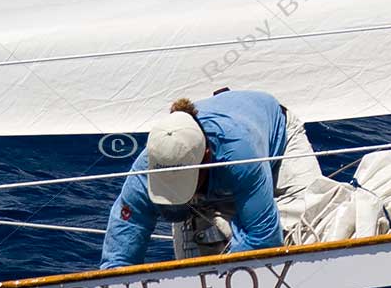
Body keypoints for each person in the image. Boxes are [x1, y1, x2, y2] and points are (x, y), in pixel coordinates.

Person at [100, 90, 320, 268]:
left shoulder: (239, 154)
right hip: (227, 167)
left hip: (279, 139)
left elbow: (263, 238)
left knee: (312, 224)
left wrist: (221, 277)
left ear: (206, 156)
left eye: (183, 182)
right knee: (198, 258)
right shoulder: (146, 169)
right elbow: (123, 243)